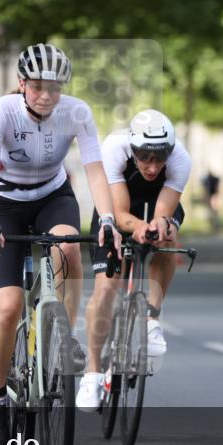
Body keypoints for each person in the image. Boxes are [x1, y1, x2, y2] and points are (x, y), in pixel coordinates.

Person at [0, 43, 121, 443]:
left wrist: (107, 220)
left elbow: (95, 171)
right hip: (5, 203)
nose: (46, 96)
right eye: (38, 86)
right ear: (22, 84)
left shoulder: (77, 112)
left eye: (54, 88)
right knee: (7, 306)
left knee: (69, 247)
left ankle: (63, 336)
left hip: (52, 197)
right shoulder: (2, 111)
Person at [79, 109, 191, 412]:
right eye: (144, 156)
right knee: (105, 289)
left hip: (157, 205)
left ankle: (151, 318)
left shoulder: (180, 158)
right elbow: (119, 212)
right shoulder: (114, 149)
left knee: (167, 237)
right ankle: (91, 371)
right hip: (118, 208)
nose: (153, 166)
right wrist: (137, 228)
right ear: (133, 148)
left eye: (160, 157)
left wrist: (158, 226)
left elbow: (163, 212)